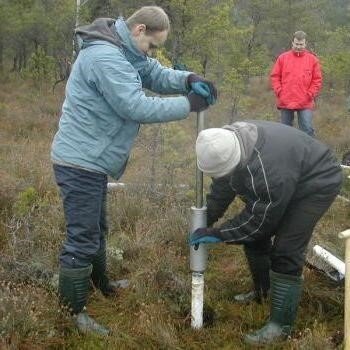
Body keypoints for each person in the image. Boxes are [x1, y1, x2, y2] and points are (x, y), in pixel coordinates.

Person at [51, 6, 217, 335]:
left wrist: (187, 79)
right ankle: (72, 313)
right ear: (139, 30)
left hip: (91, 159)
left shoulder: (123, 47)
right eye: (153, 44)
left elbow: (152, 73)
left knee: (97, 230)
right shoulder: (106, 57)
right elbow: (135, 105)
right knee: (82, 239)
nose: (153, 52)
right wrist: (188, 105)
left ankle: (100, 285)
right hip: (79, 161)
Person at [189, 120, 342, 345]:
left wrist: (221, 233)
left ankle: (281, 326)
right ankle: (263, 291)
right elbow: (223, 187)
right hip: (289, 174)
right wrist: (204, 220)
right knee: (255, 240)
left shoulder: (268, 171)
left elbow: (261, 221)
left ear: (237, 161)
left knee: (286, 250)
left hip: (316, 181)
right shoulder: (222, 143)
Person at [270, 31, 322, 137]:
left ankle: (309, 152)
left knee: (307, 129)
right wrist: (279, 91)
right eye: (297, 44)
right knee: (285, 131)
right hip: (286, 99)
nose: (299, 47)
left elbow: (317, 80)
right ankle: (287, 151)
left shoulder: (312, 60)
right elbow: (275, 76)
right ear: (292, 43)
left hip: (305, 101)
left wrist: (310, 94)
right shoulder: (283, 58)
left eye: (301, 44)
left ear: (305, 44)